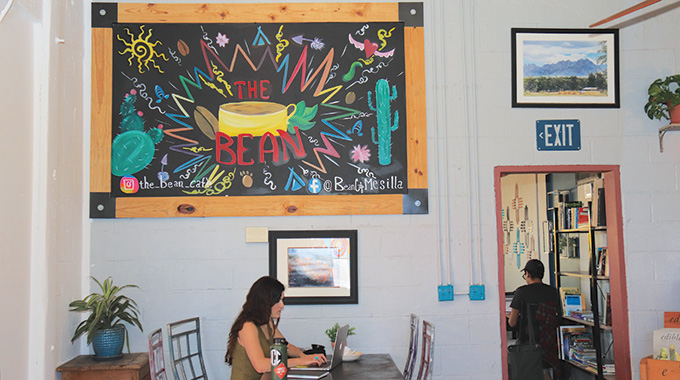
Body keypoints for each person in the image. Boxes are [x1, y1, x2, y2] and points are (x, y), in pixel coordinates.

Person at [225, 276, 327, 380]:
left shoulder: (267, 322)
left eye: (282, 300)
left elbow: (286, 346)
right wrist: (299, 361)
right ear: (265, 302)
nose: (282, 305)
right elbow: (260, 366)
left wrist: (303, 356)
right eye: (278, 300)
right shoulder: (248, 326)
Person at [508, 259, 562, 380]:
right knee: (544, 371)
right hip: (550, 343)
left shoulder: (521, 292)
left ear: (528, 273)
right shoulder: (553, 291)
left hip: (529, 343)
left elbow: (512, 323)